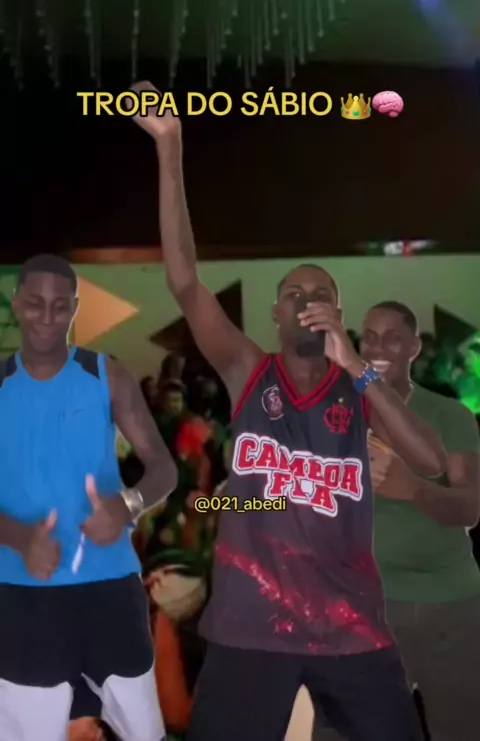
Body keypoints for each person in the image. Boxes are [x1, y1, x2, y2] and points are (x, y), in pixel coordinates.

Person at [131, 81, 447, 741]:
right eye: (293, 293)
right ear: (275, 313)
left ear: (336, 311)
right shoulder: (248, 370)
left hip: (350, 628)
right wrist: (170, 148)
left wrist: (355, 365)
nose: (305, 299)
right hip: (252, 628)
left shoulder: (358, 387)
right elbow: (184, 281)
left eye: (319, 292)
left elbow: (431, 461)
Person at [0, 253, 178, 741]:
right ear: (16, 303)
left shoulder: (106, 375)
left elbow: (163, 468)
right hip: (23, 593)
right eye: (35, 303)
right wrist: (20, 538)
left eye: (60, 305)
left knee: (144, 732)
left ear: (75, 308)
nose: (47, 316)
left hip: (109, 587)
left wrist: (128, 504)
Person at [360, 301, 480, 741]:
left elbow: (470, 508)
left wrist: (411, 488)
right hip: (370, 605)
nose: (378, 348)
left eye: (393, 338)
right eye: (369, 338)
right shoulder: (341, 414)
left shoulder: (449, 415)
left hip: (450, 605)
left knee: (459, 729)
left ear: (414, 347)